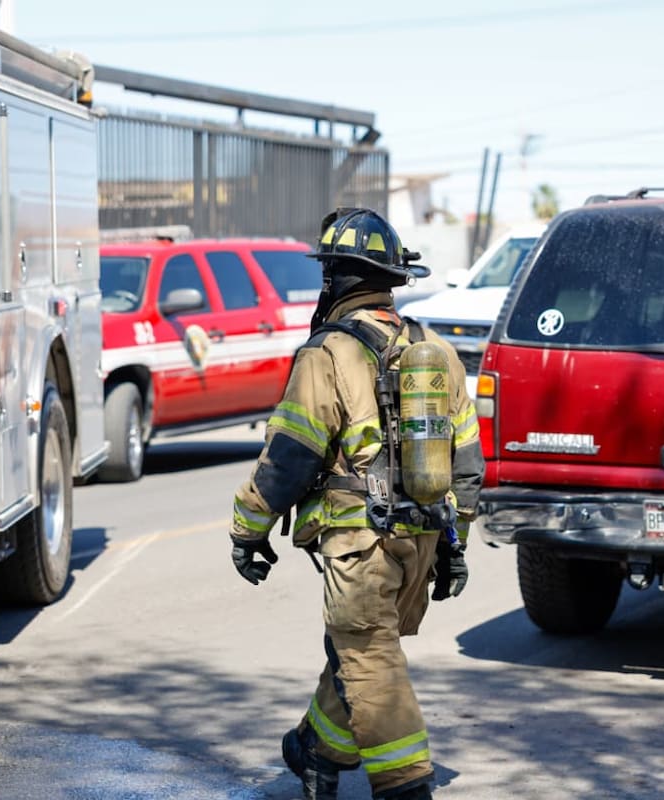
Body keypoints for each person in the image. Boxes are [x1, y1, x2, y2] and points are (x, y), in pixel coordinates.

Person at [228, 207, 485, 800]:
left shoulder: (328, 354)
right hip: (423, 535)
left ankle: (406, 785)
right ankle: (315, 750)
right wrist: (455, 546)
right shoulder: (436, 350)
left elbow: (290, 456)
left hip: (359, 543)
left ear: (336, 279)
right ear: (390, 279)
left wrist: (247, 530)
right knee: (357, 651)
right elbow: (467, 460)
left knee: (369, 657)